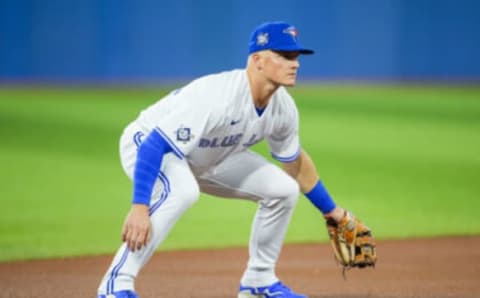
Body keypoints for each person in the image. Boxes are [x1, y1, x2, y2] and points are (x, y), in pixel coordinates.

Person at [97, 21, 347, 298]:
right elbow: (154, 145)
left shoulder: (283, 107)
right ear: (258, 60)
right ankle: (115, 286)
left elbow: (295, 163)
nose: (295, 64)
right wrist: (140, 207)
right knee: (182, 191)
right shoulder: (216, 96)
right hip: (147, 144)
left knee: (284, 190)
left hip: (211, 156)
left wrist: (333, 213)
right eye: (285, 56)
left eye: (296, 57)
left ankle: (259, 283)